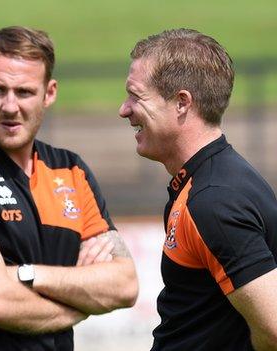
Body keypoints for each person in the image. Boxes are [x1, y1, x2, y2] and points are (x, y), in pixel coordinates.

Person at [0, 26, 138, 350]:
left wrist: (26, 275)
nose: (9, 106)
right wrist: (83, 302)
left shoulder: (71, 171)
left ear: (49, 93)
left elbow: (124, 285)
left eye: (24, 92)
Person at [119, 28, 277, 350]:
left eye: (136, 96)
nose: (124, 109)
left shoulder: (213, 201)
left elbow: (274, 328)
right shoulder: (210, 180)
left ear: (181, 103)